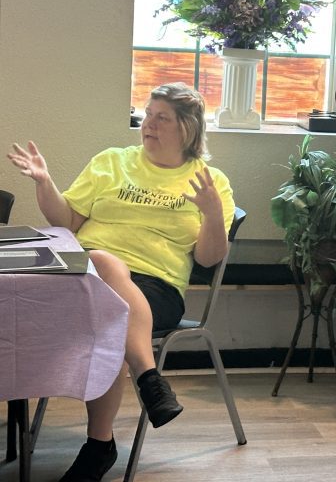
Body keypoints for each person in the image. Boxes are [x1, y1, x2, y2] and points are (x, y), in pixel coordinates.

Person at [7, 82, 235, 482]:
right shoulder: (111, 162)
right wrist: (44, 183)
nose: (149, 124)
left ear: (187, 128)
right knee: (102, 268)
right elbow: (66, 222)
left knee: (108, 305)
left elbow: (208, 258)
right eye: (147, 115)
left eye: (162, 118)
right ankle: (148, 380)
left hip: (157, 287)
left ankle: (100, 446)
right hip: (84, 277)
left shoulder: (208, 181)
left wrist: (213, 214)